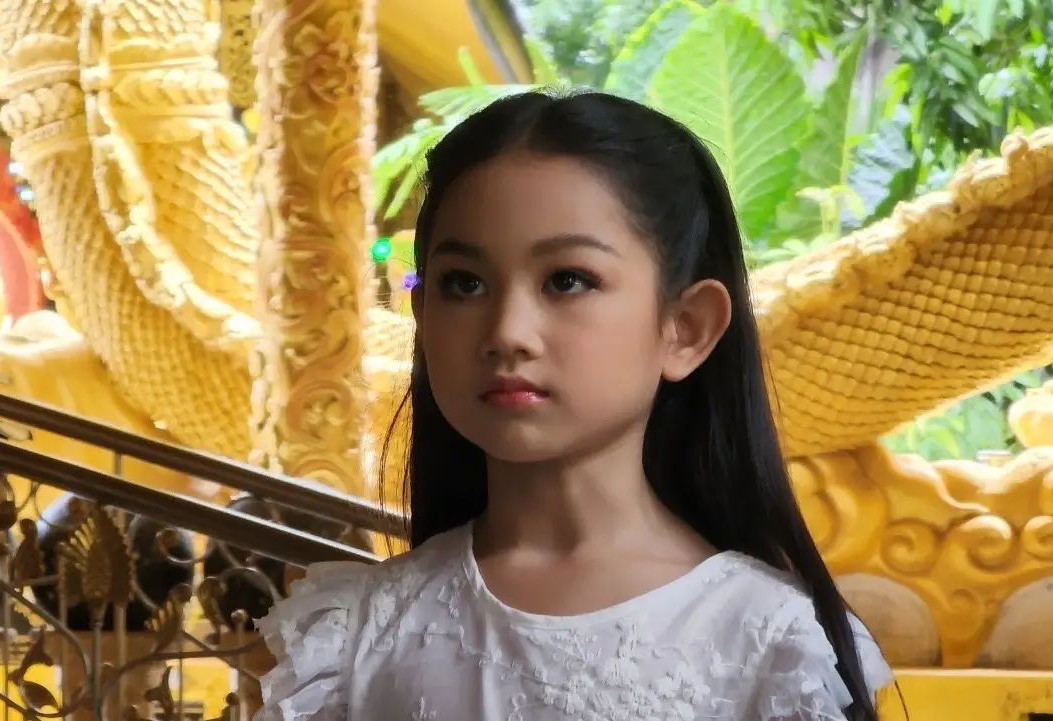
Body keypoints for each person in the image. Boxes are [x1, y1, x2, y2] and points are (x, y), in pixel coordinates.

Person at [254, 90, 896, 721]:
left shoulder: (770, 645)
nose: (508, 331)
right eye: (464, 284)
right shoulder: (358, 638)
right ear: (423, 316)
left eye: (567, 280)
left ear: (686, 327)